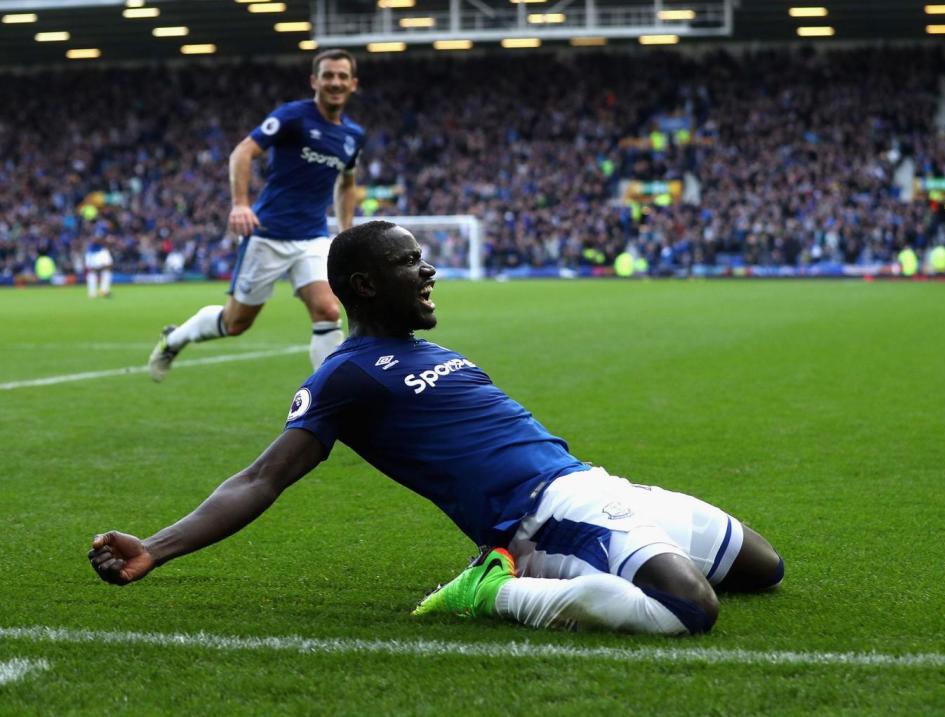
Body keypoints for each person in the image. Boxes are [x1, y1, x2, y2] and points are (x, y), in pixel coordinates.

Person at [93, 221, 784, 636]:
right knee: (689, 607)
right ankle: (494, 587)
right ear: (363, 285)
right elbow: (260, 477)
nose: (429, 269)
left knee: (763, 568)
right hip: (538, 517)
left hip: (594, 484)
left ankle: (587, 558)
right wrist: (156, 546)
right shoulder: (346, 374)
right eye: (408, 262)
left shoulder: (429, 351)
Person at [147, 48, 364, 382]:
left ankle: (329, 395)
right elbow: (243, 151)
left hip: (313, 237)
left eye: (341, 76)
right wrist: (240, 203)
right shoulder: (293, 117)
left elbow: (347, 183)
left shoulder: (352, 136)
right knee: (235, 323)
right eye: (328, 75)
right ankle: (175, 338)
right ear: (314, 81)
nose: (334, 82)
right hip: (269, 234)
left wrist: (346, 231)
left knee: (328, 310)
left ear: (353, 84)